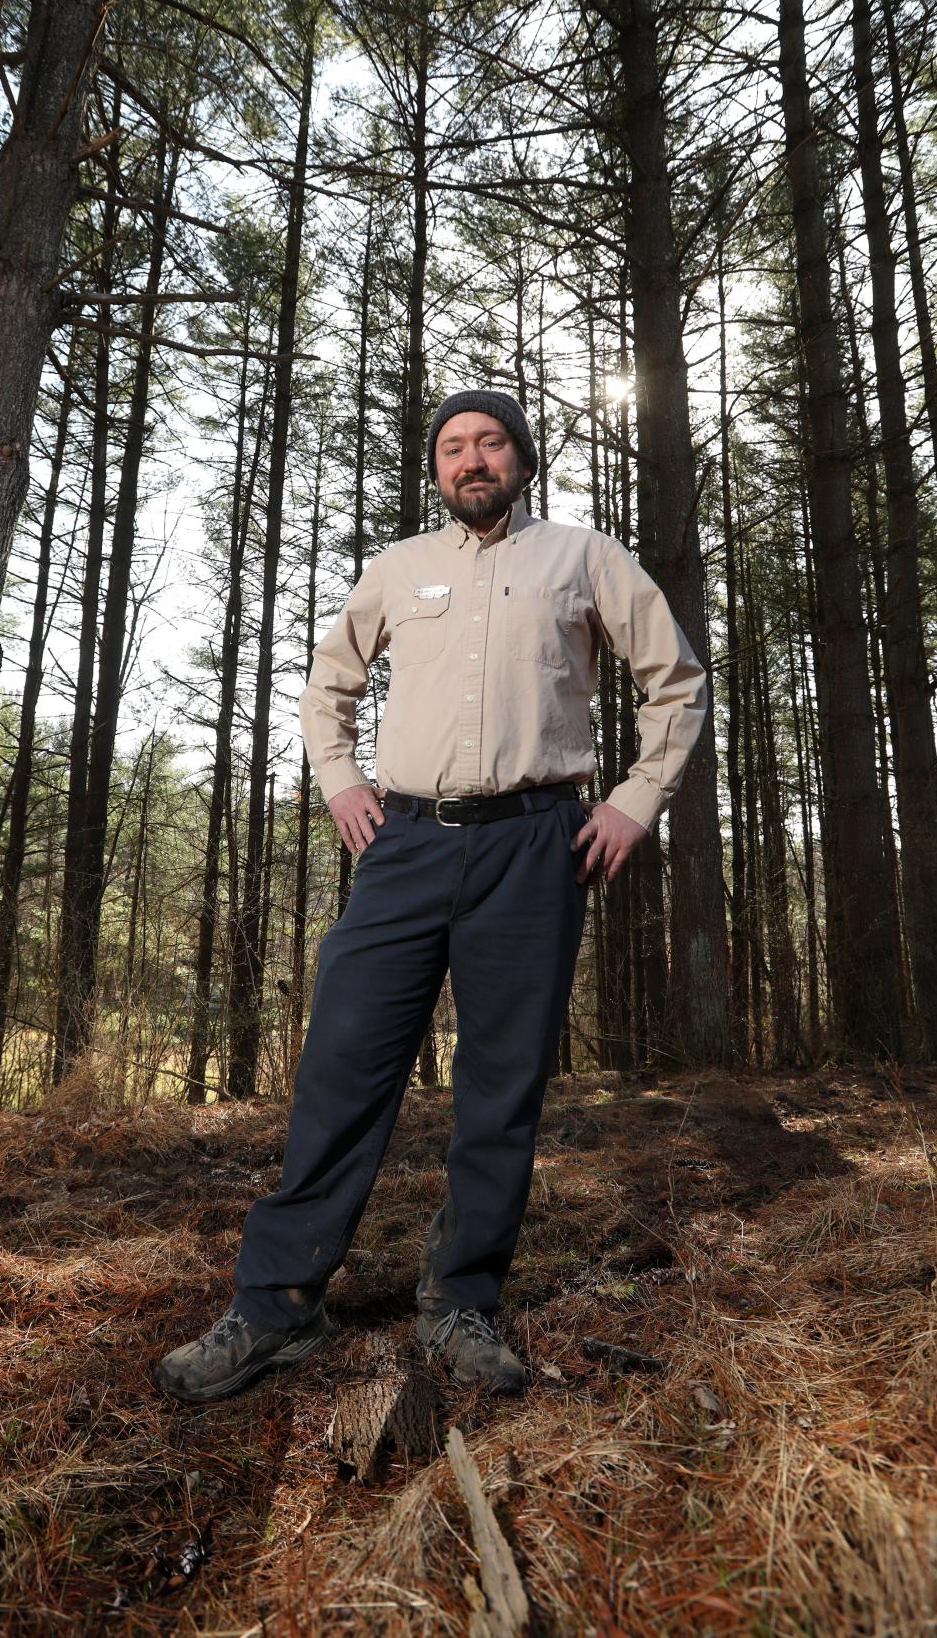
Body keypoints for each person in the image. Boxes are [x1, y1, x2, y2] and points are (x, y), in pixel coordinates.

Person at [156, 390, 707, 1402]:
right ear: (438, 470)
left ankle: (461, 1300)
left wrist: (633, 801)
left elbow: (674, 682)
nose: (471, 459)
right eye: (453, 447)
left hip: (539, 845)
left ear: (521, 459)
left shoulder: (584, 558)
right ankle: (276, 1304)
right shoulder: (399, 569)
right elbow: (329, 688)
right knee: (341, 1066)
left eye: (490, 442)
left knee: (500, 1090)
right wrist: (341, 779)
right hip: (405, 844)